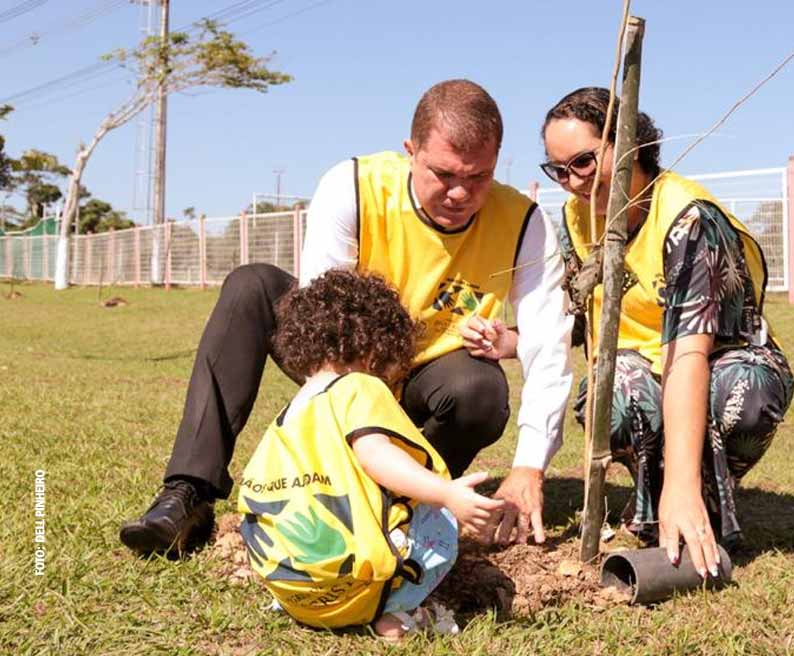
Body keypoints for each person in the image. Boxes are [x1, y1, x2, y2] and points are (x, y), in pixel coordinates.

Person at [120, 79, 573, 557]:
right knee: (250, 286)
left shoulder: (526, 223)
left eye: (478, 177)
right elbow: (323, 329)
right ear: (410, 151)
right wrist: (327, 439)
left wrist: (528, 467)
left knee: (479, 391)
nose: (460, 193)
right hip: (345, 357)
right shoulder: (352, 186)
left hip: (428, 376)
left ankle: (395, 503)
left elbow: (548, 344)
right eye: (443, 173)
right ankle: (187, 494)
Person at [463, 87, 794, 580]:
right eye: (558, 170)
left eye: (582, 162)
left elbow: (690, 355)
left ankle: (694, 499)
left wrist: (682, 483)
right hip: (642, 372)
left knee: (740, 392)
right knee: (607, 388)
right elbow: (584, 314)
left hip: (714, 364)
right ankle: (660, 506)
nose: (573, 182)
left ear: (630, 146)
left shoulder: (687, 219)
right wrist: (512, 341)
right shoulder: (577, 219)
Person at [238, 268, 499, 637]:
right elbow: (376, 456)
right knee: (439, 520)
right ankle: (394, 611)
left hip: (295, 587)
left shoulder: (294, 410)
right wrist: (446, 494)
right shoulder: (359, 387)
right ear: (377, 346)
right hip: (358, 589)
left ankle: (298, 605)